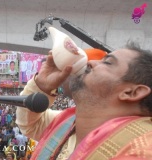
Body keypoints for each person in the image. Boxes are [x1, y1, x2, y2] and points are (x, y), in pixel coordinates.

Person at [16, 42, 152, 159]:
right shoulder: (68, 121)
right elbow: (32, 125)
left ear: (132, 92)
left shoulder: (143, 150)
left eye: (108, 62)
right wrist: (41, 86)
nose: (91, 62)